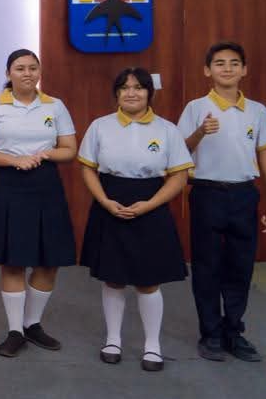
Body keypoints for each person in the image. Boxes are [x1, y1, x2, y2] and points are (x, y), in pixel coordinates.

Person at [78, 67, 192, 372]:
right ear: (116, 93)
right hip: (109, 203)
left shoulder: (167, 130)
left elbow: (179, 176)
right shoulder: (100, 126)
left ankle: (152, 345)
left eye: (139, 87)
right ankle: (113, 340)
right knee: (113, 277)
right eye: (125, 87)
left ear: (148, 93)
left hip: (151, 206)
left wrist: (149, 205)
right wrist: (104, 201)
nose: (132, 93)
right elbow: (88, 169)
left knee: (148, 281)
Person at [0, 48, 78, 358]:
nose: (27, 73)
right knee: (14, 259)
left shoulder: (55, 105)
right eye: (20, 68)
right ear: (8, 73)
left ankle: (33, 324)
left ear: (39, 72)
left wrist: (45, 154)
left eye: (33, 68)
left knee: (49, 260)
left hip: (46, 183)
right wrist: (14, 160)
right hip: (8, 183)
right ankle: (15, 330)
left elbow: (69, 148)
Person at [178, 41, 266, 362]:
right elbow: (179, 150)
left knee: (241, 265)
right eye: (219, 63)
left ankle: (234, 330)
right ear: (207, 70)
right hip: (207, 193)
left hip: (244, 194)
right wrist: (200, 132)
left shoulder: (258, 111)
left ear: (244, 70)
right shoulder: (196, 108)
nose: (227, 68)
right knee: (206, 265)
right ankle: (210, 333)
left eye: (234, 63)